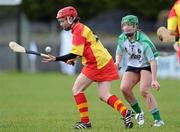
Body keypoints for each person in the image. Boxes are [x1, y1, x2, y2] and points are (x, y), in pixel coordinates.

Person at [42, 6, 134, 129]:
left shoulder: (78, 30)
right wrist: (72, 59)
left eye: (62, 21)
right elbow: (82, 50)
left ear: (70, 19)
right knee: (104, 95)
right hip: (105, 61)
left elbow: (76, 53)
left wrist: (56, 58)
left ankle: (85, 122)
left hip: (96, 63)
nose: (61, 24)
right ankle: (126, 112)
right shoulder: (80, 28)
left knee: (77, 89)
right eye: (60, 22)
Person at [115, 15, 164, 127]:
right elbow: (119, 51)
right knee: (124, 88)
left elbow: (152, 61)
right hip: (133, 65)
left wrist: (154, 80)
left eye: (129, 25)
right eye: (124, 25)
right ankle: (139, 113)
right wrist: (117, 62)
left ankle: (158, 120)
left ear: (135, 26)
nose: (126, 27)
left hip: (146, 65)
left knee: (144, 90)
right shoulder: (122, 38)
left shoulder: (144, 41)